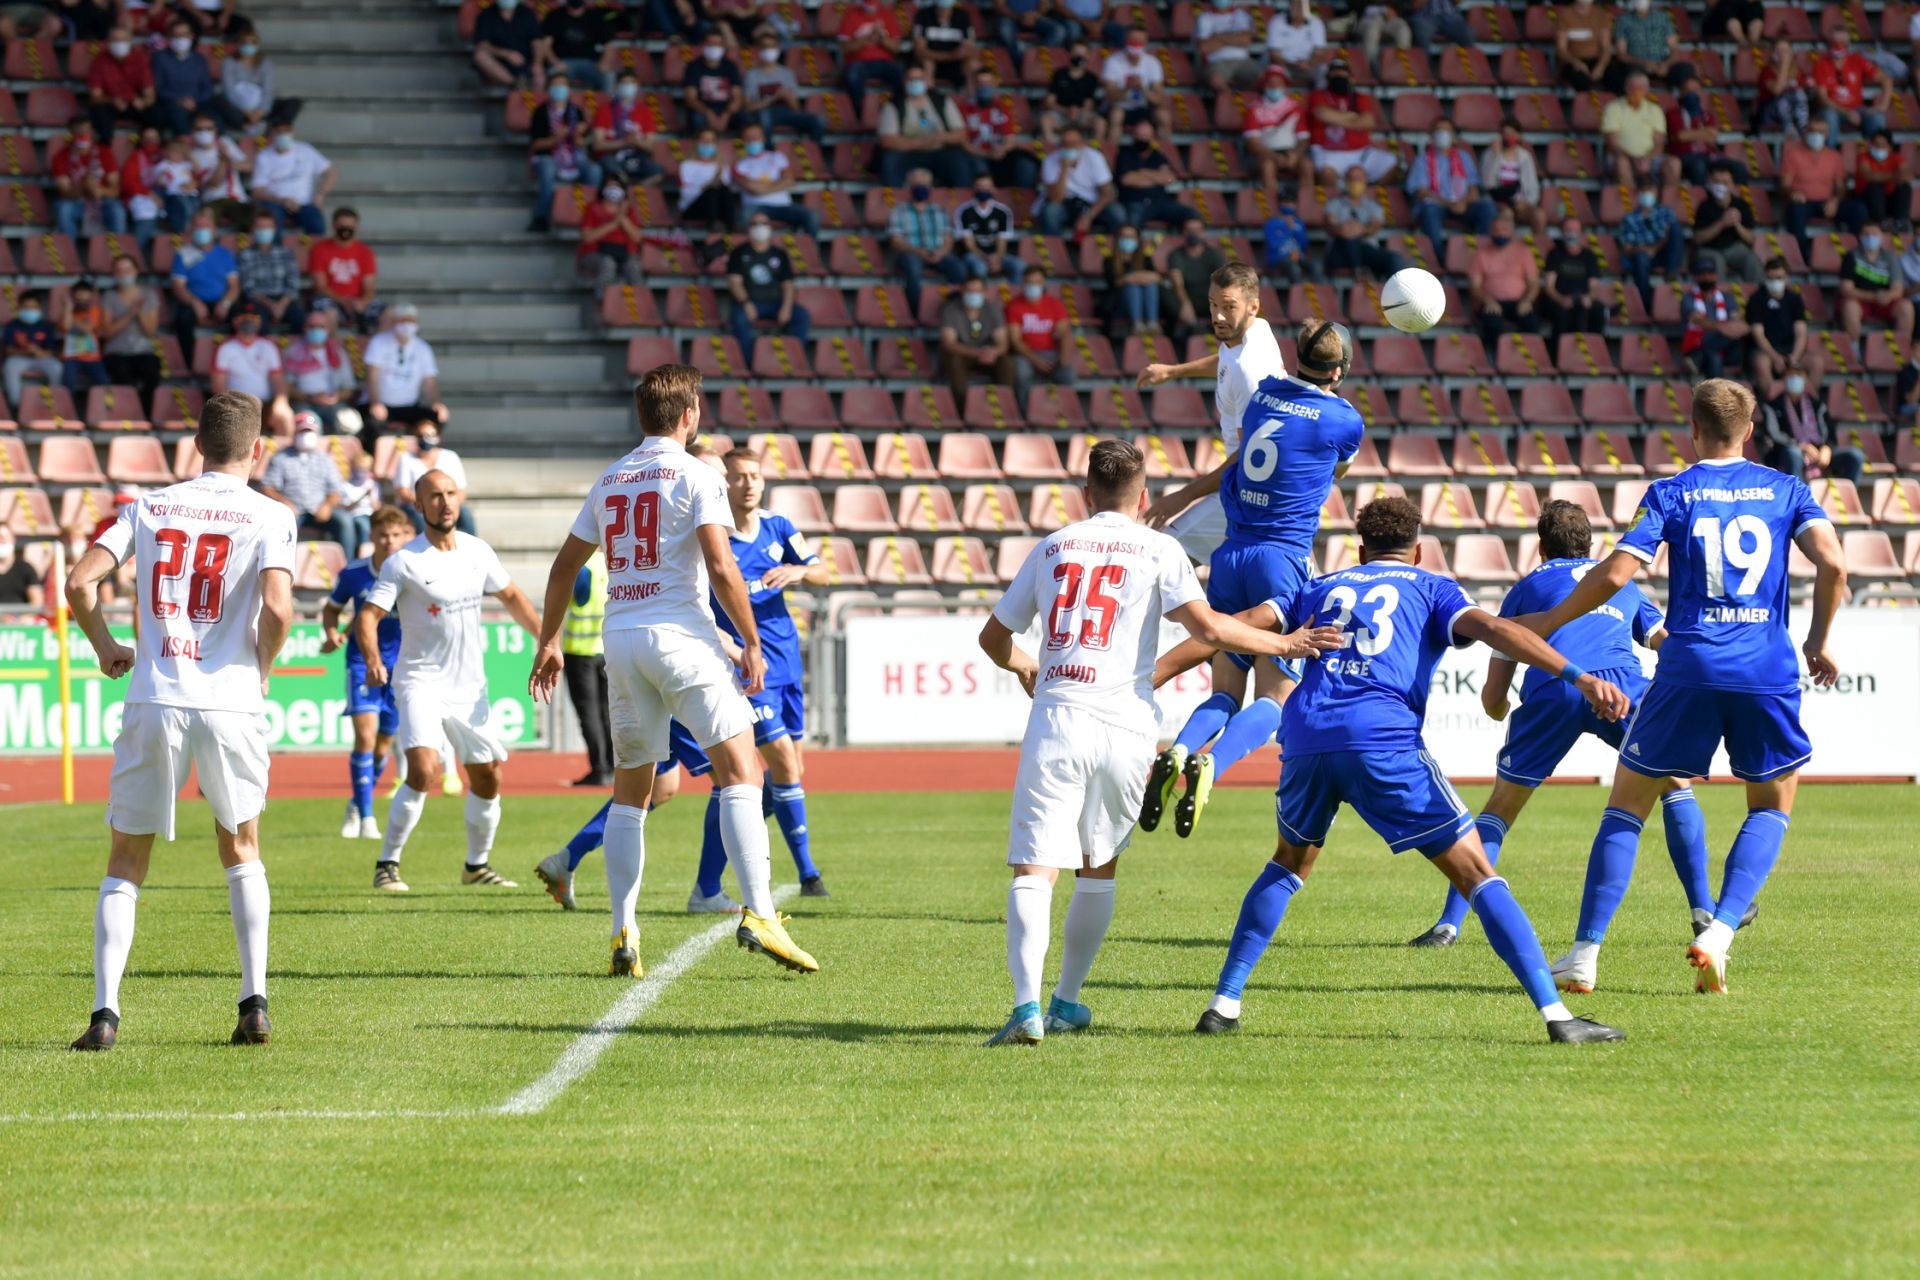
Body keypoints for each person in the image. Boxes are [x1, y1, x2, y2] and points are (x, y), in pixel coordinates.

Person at [1166, 496, 1630, 1044]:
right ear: (1417, 550)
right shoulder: (1432, 587)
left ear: (1361, 549)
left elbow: (1226, 628)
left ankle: (1223, 1004)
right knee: (1477, 874)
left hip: (1307, 738)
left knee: (1288, 864)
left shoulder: (1319, 586)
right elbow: (1495, 629)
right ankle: (1557, 1017)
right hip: (1381, 741)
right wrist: (1578, 675)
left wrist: (1152, 675)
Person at [976, 439, 1343, 1045]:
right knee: (1098, 867)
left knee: (1035, 868)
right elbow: (1210, 629)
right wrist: (1286, 644)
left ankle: (1026, 1009)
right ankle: (1067, 1001)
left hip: (1060, 714)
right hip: (1128, 723)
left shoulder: (1054, 545)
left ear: (1085, 494)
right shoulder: (1159, 548)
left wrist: (1024, 665)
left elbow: (993, 638)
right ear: (1143, 495)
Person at [1515, 379, 1848, 997]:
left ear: (1691, 430)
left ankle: (1584, 954)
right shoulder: (1788, 489)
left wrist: (1552, 619)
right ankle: (1719, 930)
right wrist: (1818, 640)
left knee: (1627, 804)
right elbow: (1833, 563)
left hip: (1689, 665)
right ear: (1751, 431)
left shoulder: (1671, 492)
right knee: (1771, 805)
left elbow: (1616, 573)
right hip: (1765, 668)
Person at [529, 364, 820, 976]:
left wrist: (549, 639)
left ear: (641, 415)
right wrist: (750, 640)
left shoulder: (611, 476)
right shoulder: (697, 474)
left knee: (630, 793)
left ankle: (623, 930)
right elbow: (720, 565)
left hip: (621, 640)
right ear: (690, 415)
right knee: (742, 771)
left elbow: (563, 567)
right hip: (682, 637)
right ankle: (761, 914)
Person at [64, 391, 297, 1051]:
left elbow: (79, 583)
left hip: (156, 693)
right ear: (258, 449)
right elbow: (279, 609)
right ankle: (254, 1003)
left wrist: (106, 648)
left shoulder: (149, 506)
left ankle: (104, 1015)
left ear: (196, 446)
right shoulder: (270, 514)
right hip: (230, 700)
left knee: (126, 858)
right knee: (242, 848)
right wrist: (262, 666)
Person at [1407, 500, 1710, 956]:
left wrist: (1499, 709)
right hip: (1621, 688)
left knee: (1500, 810)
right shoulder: (1621, 583)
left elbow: (1494, 693)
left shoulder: (1527, 587)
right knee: (1673, 784)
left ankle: (1449, 924)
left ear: (1541, 549)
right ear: (1591, 545)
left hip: (1554, 687)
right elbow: (1665, 643)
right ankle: (1704, 910)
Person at [1143, 320, 1363, 838]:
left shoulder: (1264, 395)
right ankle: (1211, 764)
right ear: (1338, 372)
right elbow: (1336, 471)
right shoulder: (1344, 419)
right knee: (1275, 698)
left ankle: (1178, 749)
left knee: (1224, 688)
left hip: (1230, 554)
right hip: (1280, 559)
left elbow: (1246, 454)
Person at [357, 470, 541, 892]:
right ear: (419, 505)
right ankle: (387, 864)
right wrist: (372, 659)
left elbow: (513, 597)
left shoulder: (477, 551)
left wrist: (547, 641)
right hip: (420, 681)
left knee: (488, 776)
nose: (444, 502)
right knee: (423, 770)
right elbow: (368, 616)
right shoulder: (405, 561)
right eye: (435, 496)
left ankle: (476, 866)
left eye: (450, 493)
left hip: (469, 686)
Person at [321, 506, 413, 839]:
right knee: (365, 736)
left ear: (405, 536)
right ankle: (368, 818)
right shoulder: (354, 573)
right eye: (383, 535)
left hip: (402, 665)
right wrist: (333, 633)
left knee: (384, 742)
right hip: (361, 662)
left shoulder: (413, 571)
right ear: (372, 535)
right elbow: (332, 609)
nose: (389, 541)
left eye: (396, 535)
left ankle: (357, 804)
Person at [557, 548, 613, 789]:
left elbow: (567, 597)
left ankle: (600, 769)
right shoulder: (611, 563)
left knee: (588, 714)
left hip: (580, 650)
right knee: (608, 712)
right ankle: (613, 767)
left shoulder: (582, 565)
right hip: (607, 649)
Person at [726, 211, 810, 363]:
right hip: (749, 303)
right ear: (749, 228)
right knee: (738, 318)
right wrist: (746, 303)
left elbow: (788, 285)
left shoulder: (780, 254)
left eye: (764, 224)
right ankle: (748, 363)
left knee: (801, 315)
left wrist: (786, 307)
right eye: (755, 224)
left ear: (770, 228)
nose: (760, 227)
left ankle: (794, 359)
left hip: (776, 304)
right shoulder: (738, 253)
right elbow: (735, 283)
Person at [259, 413, 353, 547]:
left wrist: (327, 505)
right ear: (295, 433)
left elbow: (336, 490)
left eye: (309, 432)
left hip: (319, 509)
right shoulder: (281, 458)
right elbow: (267, 487)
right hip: (293, 511)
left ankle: (347, 560)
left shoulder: (325, 459)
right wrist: (284, 502)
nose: (306, 435)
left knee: (345, 521)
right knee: (281, 526)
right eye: (302, 432)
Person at [1759, 366, 1865, 484]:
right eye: (1791, 375)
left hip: (1818, 451)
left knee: (1855, 456)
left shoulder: (1817, 405)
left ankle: (1846, 492)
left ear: (1805, 380)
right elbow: (1774, 435)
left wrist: (1827, 448)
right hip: (1788, 452)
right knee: (1793, 454)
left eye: (1799, 375)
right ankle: (1800, 494)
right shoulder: (1773, 407)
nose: (1795, 379)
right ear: (1783, 380)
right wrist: (1802, 446)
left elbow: (1830, 432)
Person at [876, 65, 973, 189]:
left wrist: (940, 137)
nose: (915, 82)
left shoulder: (942, 101)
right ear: (904, 82)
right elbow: (887, 140)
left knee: (959, 160)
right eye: (911, 79)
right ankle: (892, 197)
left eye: (919, 79)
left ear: (926, 81)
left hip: (938, 152)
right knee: (890, 160)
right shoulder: (893, 105)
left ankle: (961, 196)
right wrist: (922, 142)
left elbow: (960, 133)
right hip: (908, 153)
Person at [362, 304, 447, 441]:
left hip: (409, 406)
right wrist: (376, 403)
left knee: (437, 417)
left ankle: (425, 450)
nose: (407, 325)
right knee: (372, 423)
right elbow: (372, 377)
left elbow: (430, 382)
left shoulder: (423, 348)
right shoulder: (378, 343)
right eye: (402, 320)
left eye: (410, 320)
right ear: (394, 322)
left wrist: (437, 403)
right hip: (381, 405)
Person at [888, 167, 966, 314]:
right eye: (916, 185)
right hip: (911, 253)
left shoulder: (939, 210)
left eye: (924, 185)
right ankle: (916, 312)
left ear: (931, 187)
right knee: (913, 269)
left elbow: (948, 239)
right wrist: (919, 252)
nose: (921, 188)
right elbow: (896, 241)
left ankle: (953, 310)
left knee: (958, 269)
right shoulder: (899, 211)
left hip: (937, 253)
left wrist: (940, 253)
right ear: (909, 187)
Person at [528, 74, 600, 233]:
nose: (559, 89)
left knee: (594, 170)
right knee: (548, 169)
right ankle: (541, 217)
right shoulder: (540, 112)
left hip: (575, 155)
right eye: (556, 85)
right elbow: (536, 144)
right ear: (549, 89)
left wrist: (579, 137)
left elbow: (583, 143)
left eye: (563, 85)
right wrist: (556, 138)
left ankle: (592, 217)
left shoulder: (576, 111)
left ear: (568, 89)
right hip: (548, 155)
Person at [1408, 118, 1494, 249]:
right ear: (1431, 135)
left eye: (1447, 130)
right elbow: (1421, 192)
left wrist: (1464, 202)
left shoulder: (1464, 157)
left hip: (1462, 203)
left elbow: (1473, 188)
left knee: (1487, 208)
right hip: (1438, 205)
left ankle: (1482, 253)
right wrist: (1449, 204)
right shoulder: (1422, 159)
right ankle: (1438, 258)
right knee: (1429, 211)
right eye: (1439, 130)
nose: (1443, 134)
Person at [1307, 56, 1394, 184]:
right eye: (1335, 71)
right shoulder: (1318, 95)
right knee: (1326, 172)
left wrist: (1337, 117)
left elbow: (1368, 122)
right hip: (1328, 151)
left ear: (1349, 75)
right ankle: (1336, 197)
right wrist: (1355, 117)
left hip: (1360, 151)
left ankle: (1368, 194)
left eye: (1342, 71)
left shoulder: (1359, 97)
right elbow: (1322, 114)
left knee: (1390, 162)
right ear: (1328, 75)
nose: (1339, 74)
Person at [1839, 221, 1914, 357]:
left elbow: (1898, 289)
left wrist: (1888, 296)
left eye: (1874, 234)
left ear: (1882, 236)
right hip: (1860, 301)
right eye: (1866, 234)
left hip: (1884, 302)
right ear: (1860, 236)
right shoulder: (1851, 256)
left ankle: (1901, 352)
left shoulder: (1890, 257)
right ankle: (1853, 351)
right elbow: (1846, 289)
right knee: (1850, 307)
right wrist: (1874, 296)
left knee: (1906, 307)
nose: (1870, 237)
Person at [1779, 121, 1853, 258]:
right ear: (1806, 133)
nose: (1816, 135)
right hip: (1803, 203)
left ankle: (1856, 256)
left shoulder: (1834, 156)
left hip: (1827, 203)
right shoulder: (1793, 154)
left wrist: (1835, 201)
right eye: (1812, 131)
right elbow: (1784, 185)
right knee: (1795, 210)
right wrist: (1792, 193)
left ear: (1827, 135)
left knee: (1858, 210)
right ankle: (1800, 258)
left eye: (1821, 132)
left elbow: (1840, 187)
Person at [1468, 209, 1540, 346]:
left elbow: (1533, 283)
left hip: (1520, 301)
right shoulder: (1480, 254)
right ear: (1491, 231)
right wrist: (1487, 300)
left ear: (1512, 231)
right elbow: (1474, 286)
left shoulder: (1524, 252)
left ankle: (1527, 357)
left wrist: (1527, 300)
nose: (1500, 233)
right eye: (1496, 230)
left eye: (1504, 229)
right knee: (1493, 325)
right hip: (1491, 303)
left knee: (1531, 323)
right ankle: (1498, 357)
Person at [283, 302, 358, 434]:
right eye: (312, 326)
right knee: (309, 427)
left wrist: (336, 397)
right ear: (305, 328)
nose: (316, 330)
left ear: (328, 329)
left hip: (334, 404)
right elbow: (286, 386)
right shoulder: (293, 352)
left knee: (350, 423)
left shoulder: (338, 353)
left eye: (321, 327)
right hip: (304, 403)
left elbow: (349, 388)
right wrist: (310, 397)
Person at [732, 123, 818, 236]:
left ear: (763, 138)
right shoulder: (739, 165)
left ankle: (809, 247)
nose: (753, 140)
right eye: (749, 138)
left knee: (811, 216)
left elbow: (789, 181)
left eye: (756, 136)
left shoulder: (778, 157)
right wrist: (777, 184)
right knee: (744, 215)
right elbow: (754, 189)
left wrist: (761, 188)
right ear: (743, 141)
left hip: (784, 207)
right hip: (756, 208)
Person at [51, 117, 129, 242]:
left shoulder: (105, 153)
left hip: (102, 200)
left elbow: (116, 189)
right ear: (71, 134)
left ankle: (118, 249)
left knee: (118, 210)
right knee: (64, 210)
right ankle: (69, 250)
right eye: (78, 131)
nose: (83, 134)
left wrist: (100, 190)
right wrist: (83, 186)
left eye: (86, 130)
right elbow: (64, 192)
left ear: (92, 132)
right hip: (76, 201)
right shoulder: (61, 157)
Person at [249, 121, 333, 236]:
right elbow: (257, 191)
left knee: (316, 223)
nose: (284, 135)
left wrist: (320, 194)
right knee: (272, 220)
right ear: (272, 134)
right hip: (276, 203)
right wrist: (282, 200)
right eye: (279, 132)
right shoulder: (264, 157)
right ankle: (275, 247)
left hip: (305, 203)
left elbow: (331, 173)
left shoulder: (306, 150)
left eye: (287, 131)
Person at [1034, 123, 1120, 236]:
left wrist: (1089, 216)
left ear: (1081, 144)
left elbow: (1108, 193)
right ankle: (1054, 246)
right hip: (1065, 204)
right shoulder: (1050, 160)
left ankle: (1109, 246)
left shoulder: (1095, 157)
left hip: (1090, 203)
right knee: (1050, 212)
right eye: (1065, 144)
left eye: (1073, 143)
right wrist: (1064, 169)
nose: (1069, 147)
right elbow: (1056, 199)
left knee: (1117, 213)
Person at [1006, 266, 1073, 408]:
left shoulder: (1055, 304)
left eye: (1037, 282)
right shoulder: (1013, 306)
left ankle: (1061, 410)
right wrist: (1035, 360)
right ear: (1023, 283)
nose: (1033, 286)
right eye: (1029, 282)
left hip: (1051, 353)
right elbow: (1015, 341)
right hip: (1025, 355)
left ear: (1043, 283)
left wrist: (1063, 359)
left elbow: (1065, 334)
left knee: (1067, 373)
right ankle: (1024, 411)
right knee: (1021, 372)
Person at [1112, 118, 1197, 231]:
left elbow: (1169, 179)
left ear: (1152, 138)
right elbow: (1127, 180)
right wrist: (1156, 177)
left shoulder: (1158, 156)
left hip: (1161, 202)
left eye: (1145, 136)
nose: (1142, 139)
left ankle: (1191, 241)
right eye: (1140, 136)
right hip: (1135, 202)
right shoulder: (1124, 155)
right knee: (1131, 227)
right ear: (1133, 136)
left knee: (1192, 215)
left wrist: (1142, 172)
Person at [1746, 256, 1812, 400]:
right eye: (1770, 278)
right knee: (1761, 362)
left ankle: (1809, 403)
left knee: (1816, 362)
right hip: (1766, 350)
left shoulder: (1794, 299)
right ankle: (1774, 404)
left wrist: (1795, 357)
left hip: (1790, 349)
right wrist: (1775, 357)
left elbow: (1801, 332)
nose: (1774, 282)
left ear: (1786, 278)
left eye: (1779, 278)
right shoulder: (1756, 299)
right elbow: (1758, 335)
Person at [938, 272, 1011, 401]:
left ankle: (1004, 402)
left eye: (977, 291)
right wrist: (976, 353)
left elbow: (1003, 343)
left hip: (987, 355)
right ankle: (962, 406)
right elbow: (949, 343)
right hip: (963, 354)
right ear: (962, 291)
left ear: (985, 292)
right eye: (969, 291)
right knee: (954, 361)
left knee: (1007, 362)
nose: (973, 294)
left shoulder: (993, 310)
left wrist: (993, 352)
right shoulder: (951, 310)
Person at [391, 423, 475, 535]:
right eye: (420, 435)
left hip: (446, 504)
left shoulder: (450, 457)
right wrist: (427, 503)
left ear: (438, 437)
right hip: (416, 506)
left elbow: (461, 491)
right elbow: (403, 492)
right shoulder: (406, 459)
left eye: (430, 435)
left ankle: (468, 544)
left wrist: (447, 504)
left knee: (464, 513)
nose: (425, 439)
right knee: (420, 515)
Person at [102, 256, 162, 409]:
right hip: (117, 352)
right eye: (120, 270)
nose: (124, 274)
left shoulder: (149, 295)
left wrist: (140, 313)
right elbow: (107, 333)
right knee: (121, 375)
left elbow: (151, 331)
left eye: (128, 270)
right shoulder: (109, 296)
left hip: (144, 351)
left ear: (136, 271)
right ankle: (127, 412)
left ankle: (146, 414)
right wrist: (129, 314)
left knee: (152, 373)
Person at [960, 67, 1036, 189]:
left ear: (995, 85)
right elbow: (963, 143)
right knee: (977, 165)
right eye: (980, 83)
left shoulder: (1002, 108)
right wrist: (986, 153)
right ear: (974, 85)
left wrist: (1001, 150)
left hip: (999, 154)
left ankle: (1023, 197)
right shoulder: (964, 109)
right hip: (976, 155)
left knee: (1025, 164)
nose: (984, 87)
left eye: (988, 83)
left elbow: (1009, 139)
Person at [744, 29, 825, 142]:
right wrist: (774, 98)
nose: (769, 50)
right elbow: (748, 107)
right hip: (764, 111)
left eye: (772, 46)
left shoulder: (787, 73)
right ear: (759, 50)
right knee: (764, 118)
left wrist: (789, 98)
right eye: (765, 47)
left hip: (786, 112)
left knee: (818, 120)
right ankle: (768, 151)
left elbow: (796, 107)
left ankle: (814, 150)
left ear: (778, 49)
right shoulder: (751, 75)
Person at [1616, 174, 1684, 309]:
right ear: (1637, 193)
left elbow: (1671, 236)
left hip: (1664, 253)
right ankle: (1646, 304)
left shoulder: (1666, 213)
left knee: (1676, 229)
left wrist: (1655, 248)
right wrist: (1640, 249)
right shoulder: (1629, 218)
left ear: (1656, 191)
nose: (1648, 193)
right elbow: (1627, 249)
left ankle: (1671, 275)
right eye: (1644, 190)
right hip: (1642, 255)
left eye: (1651, 189)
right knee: (1640, 259)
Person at [309, 206, 379, 334]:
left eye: (350, 226)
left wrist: (362, 302)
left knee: (390, 314)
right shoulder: (320, 250)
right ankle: (333, 346)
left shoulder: (365, 252)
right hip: (331, 299)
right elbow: (320, 286)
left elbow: (369, 287)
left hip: (358, 301)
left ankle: (376, 346)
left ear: (356, 227)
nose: (346, 229)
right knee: (329, 312)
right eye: (342, 226)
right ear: (334, 226)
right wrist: (344, 301)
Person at [1810, 30, 1890, 141]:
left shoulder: (1857, 60)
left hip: (1857, 108)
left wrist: (1883, 105)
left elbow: (1886, 79)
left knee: (1878, 118)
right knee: (1829, 116)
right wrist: (1846, 112)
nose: (1838, 45)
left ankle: (1873, 149)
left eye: (1842, 41)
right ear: (1829, 43)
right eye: (1835, 41)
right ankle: (1830, 150)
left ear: (1848, 44)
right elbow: (1823, 98)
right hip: (1833, 108)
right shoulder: (1821, 64)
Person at [1323, 164, 1399, 280]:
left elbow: (1375, 226)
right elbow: (1330, 224)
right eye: (1351, 178)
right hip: (1340, 252)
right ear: (1345, 181)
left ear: (1365, 181)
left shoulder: (1374, 206)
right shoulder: (1333, 204)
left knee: (1394, 258)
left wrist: (1360, 229)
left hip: (1367, 251)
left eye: (1358, 179)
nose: (1354, 182)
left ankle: (1394, 290)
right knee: (1350, 239)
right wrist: (1343, 229)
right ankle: (1359, 273)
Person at [591, 73, 665, 191]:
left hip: (635, 155)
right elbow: (597, 145)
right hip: (611, 156)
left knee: (658, 173)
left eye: (632, 83)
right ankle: (625, 189)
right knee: (616, 173)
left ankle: (632, 191)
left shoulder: (645, 111)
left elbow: (650, 146)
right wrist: (624, 142)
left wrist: (636, 142)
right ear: (617, 86)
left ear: (637, 86)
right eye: (624, 82)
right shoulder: (605, 110)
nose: (628, 86)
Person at [1692, 160, 1762, 284]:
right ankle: (1720, 296)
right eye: (1716, 182)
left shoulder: (1742, 205)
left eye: (1725, 183)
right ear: (1710, 183)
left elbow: (1751, 239)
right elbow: (1698, 239)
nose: (1720, 186)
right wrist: (1721, 223)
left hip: (1733, 248)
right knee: (1717, 262)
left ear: (1733, 185)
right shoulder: (1704, 206)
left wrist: (1737, 225)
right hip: (1710, 249)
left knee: (1751, 259)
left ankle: (1756, 292)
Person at [1242, 65, 1307, 197]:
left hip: (1289, 151)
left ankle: (1306, 203)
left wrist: (1295, 154)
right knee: (1267, 166)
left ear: (1285, 85)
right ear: (1264, 85)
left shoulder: (1295, 107)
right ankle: (1273, 203)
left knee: (1307, 165)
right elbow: (1253, 143)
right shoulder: (1253, 109)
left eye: (1278, 82)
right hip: (1264, 153)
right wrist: (1274, 156)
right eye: (1270, 82)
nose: (1274, 86)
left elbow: (1304, 138)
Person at [86, 24, 159, 141]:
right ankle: (105, 148)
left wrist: (143, 101)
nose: (119, 43)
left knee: (155, 114)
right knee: (98, 114)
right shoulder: (99, 62)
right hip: (110, 104)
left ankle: (144, 148)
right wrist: (112, 100)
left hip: (134, 103)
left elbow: (150, 94)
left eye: (123, 40)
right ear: (108, 42)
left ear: (130, 42)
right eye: (115, 40)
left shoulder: (140, 60)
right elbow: (95, 96)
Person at [153, 20, 224, 136]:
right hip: (172, 104)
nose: (181, 39)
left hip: (198, 103)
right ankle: (184, 144)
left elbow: (207, 87)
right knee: (178, 119)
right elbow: (158, 88)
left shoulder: (199, 60)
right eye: (176, 35)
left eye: (184, 35)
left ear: (192, 36)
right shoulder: (160, 58)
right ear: (169, 37)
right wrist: (179, 100)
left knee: (216, 120)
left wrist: (195, 100)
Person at [1681, 257, 1748, 380]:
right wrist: (1721, 327)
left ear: (1716, 276)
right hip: (1699, 345)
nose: (1707, 277)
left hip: (1727, 349)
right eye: (1703, 274)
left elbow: (1736, 319)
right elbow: (1695, 318)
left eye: (1710, 274)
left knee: (1743, 336)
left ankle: (1697, 359)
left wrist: (1734, 328)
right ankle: (1718, 393)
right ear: (1696, 277)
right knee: (1713, 357)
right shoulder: (1689, 298)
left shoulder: (1726, 297)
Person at [1100, 27, 1172, 141]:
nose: (1136, 45)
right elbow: (1110, 96)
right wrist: (1127, 88)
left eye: (1140, 41)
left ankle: (1163, 150)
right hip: (1120, 106)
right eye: (1133, 41)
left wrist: (1142, 88)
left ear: (1146, 43)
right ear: (1126, 41)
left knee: (1164, 116)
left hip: (1143, 106)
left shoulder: (1153, 62)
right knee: (1116, 116)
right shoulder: (1113, 61)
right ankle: (1112, 149)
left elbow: (1158, 98)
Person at [238, 209, 304, 331]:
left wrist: (281, 305)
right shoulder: (245, 255)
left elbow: (293, 283)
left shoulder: (286, 253)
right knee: (257, 323)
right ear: (253, 229)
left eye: (268, 227)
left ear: (274, 229)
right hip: (259, 302)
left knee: (302, 320)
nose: (264, 230)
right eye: (260, 227)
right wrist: (271, 305)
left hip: (284, 300)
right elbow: (249, 288)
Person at [221, 31, 296, 138]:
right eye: (245, 42)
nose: (248, 46)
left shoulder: (265, 64)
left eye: (252, 43)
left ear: (257, 45)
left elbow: (268, 90)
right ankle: (244, 125)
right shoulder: (229, 63)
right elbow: (229, 91)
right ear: (238, 44)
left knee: (294, 103)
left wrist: (260, 111)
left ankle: (269, 125)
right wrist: (247, 112)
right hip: (239, 108)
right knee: (219, 100)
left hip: (259, 108)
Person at [1541, 217, 1607, 338]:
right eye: (1568, 230)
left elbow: (1594, 286)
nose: (1571, 233)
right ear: (1562, 232)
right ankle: (1558, 349)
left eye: (1574, 230)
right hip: (1560, 299)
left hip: (1581, 299)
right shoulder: (1554, 254)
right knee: (1562, 313)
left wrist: (1589, 298)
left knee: (1598, 310)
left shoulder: (1589, 256)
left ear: (1581, 233)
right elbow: (1549, 286)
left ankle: (1592, 346)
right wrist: (1561, 300)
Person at [1480, 116, 1546, 236]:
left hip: (1520, 203)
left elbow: (1532, 186)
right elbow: (1487, 183)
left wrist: (1527, 203)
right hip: (1498, 202)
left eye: (1512, 133)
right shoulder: (1489, 154)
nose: (1508, 137)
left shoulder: (1525, 156)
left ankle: (1538, 245)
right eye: (1505, 133)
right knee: (1507, 214)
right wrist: (1496, 156)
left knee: (1539, 215)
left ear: (1518, 136)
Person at [1667, 75, 1736, 187]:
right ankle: (1701, 195)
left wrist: (1690, 134)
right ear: (1681, 92)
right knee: (1699, 165)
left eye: (1695, 89)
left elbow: (1713, 136)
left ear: (1701, 92)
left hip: (1708, 155)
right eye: (1687, 90)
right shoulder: (1673, 114)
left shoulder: (1707, 115)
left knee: (1738, 167)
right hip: (1685, 156)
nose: (1691, 93)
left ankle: (1735, 196)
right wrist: (1704, 133)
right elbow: (1681, 136)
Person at [1602, 72, 1667, 189]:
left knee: (1674, 164)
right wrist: (1633, 159)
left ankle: (1668, 200)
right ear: (1626, 88)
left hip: (1649, 158)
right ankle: (1630, 199)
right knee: (1622, 163)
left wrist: (1647, 159)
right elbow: (1612, 143)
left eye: (1640, 87)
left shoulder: (1655, 110)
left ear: (1647, 90)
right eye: (1633, 87)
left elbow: (1659, 143)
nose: (1636, 91)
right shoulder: (1613, 107)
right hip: (1621, 156)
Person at [578, 179, 644, 294]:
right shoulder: (593, 208)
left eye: (617, 187)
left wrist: (622, 216)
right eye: (610, 186)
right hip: (596, 253)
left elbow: (638, 238)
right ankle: (601, 301)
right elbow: (587, 238)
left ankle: (639, 301)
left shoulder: (629, 210)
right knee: (608, 264)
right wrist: (613, 224)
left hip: (624, 253)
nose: (613, 190)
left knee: (634, 266)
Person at [541, 0, 622, 92]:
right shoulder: (555, 15)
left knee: (608, 75)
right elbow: (545, 45)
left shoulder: (595, 17)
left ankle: (607, 101)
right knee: (552, 73)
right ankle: (555, 101)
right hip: (563, 62)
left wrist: (604, 63)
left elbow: (609, 45)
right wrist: (555, 62)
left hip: (590, 63)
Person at [1166, 219, 1227, 341]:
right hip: (1185, 296)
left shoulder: (1214, 255)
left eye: (1197, 230)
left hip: (1208, 297)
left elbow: (1221, 282)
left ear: (1203, 232)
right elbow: (1178, 284)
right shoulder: (1175, 255)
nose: (1193, 233)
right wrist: (1186, 304)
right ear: (1183, 232)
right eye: (1189, 230)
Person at [2, 291, 62, 408]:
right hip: (19, 358)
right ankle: (16, 405)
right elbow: (8, 350)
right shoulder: (12, 325)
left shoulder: (46, 326)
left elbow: (50, 351)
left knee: (56, 367)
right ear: (20, 308)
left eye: (34, 307)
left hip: (41, 358)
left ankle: (55, 401)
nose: (30, 310)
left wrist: (38, 352)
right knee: (9, 367)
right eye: (26, 307)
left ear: (40, 309)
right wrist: (26, 351)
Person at [953, 179, 1020, 282]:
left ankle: (1015, 291)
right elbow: (969, 245)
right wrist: (986, 258)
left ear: (993, 189)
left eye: (986, 187)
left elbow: (1002, 242)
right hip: (974, 255)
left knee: (1019, 265)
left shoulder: (1003, 211)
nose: (983, 190)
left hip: (998, 255)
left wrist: (997, 258)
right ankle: (980, 292)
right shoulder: (964, 211)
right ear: (974, 188)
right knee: (980, 267)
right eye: (980, 186)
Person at [1039, 40, 1106, 145]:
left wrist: (1077, 112)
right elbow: (1050, 101)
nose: (1079, 57)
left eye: (1082, 54)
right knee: (1045, 120)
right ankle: (1051, 147)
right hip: (1060, 113)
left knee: (1100, 123)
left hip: (1081, 114)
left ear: (1088, 56)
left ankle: (1095, 149)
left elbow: (1089, 104)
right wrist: (1066, 110)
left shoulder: (1091, 78)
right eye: (1076, 53)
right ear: (1070, 54)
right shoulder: (1059, 74)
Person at [840, 0, 906, 104]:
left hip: (885, 63)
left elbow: (896, 48)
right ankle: (860, 112)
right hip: (858, 62)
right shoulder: (851, 15)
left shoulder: (888, 14)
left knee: (903, 75)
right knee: (852, 76)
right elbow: (844, 49)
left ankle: (897, 109)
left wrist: (880, 37)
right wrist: (867, 38)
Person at [1102, 228, 1163, 337]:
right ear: (1118, 239)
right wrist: (1132, 279)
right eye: (1124, 236)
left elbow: (1156, 277)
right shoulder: (1109, 261)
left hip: (1145, 302)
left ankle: (1153, 324)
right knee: (1132, 287)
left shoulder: (1145, 259)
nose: (1128, 240)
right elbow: (1113, 283)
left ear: (1137, 240)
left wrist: (1132, 277)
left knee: (1151, 285)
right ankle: (1137, 325)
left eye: (1131, 237)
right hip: (1120, 304)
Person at [1610, 0, 1682, 92]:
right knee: (1634, 78)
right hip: (1636, 64)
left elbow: (1674, 49)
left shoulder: (1663, 18)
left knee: (1686, 73)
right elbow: (1621, 54)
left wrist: (1666, 64)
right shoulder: (1623, 20)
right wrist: (1644, 63)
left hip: (1662, 63)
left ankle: (1690, 100)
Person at [473, 0, 547, 89]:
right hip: (499, 62)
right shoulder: (486, 15)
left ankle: (525, 84)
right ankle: (515, 84)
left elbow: (537, 40)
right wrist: (506, 54)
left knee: (541, 78)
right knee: (480, 55)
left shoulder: (527, 13)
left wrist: (537, 64)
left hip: (525, 60)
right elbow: (482, 44)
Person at [681, 33, 744, 136]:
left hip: (726, 110)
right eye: (710, 43)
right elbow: (691, 99)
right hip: (702, 110)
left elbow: (737, 97)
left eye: (718, 44)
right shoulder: (693, 67)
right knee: (697, 119)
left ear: (724, 46)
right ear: (703, 45)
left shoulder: (730, 66)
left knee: (746, 119)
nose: (715, 47)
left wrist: (726, 115)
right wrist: (708, 113)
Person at [677, 127, 736, 234]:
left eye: (711, 140)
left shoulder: (722, 167)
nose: (707, 143)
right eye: (704, 140)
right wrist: (708, 186)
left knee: (724, 191)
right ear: (696, 142)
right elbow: (686, 194)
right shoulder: (686, 165)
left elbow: (724, 194)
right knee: (712, 192)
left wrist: (716, 182)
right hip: (693, 208)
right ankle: (712, 230)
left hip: (717, 209)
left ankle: (731, 231)